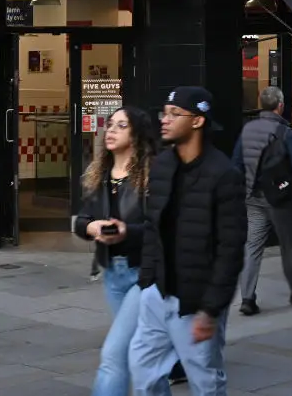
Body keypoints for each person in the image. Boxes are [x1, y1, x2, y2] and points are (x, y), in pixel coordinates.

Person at [129, 86, 247, 396]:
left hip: (196, 300)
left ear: (197, 121)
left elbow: (231, 249)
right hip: (158, 292)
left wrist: (210, 309)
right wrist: (147, 282)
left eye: (174, 114)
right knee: (142, 372)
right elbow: (153, 226)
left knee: (205, 380)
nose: (164, 120)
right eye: (163, 113)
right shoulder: (162, 165)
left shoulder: (223, 174)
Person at [75, 108, 158, 396]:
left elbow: (161, 228)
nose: (110, 130)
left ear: (136, 135)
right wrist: (92, 227)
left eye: (121, 126)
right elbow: (81, 220)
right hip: (113, 274)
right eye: (110, 124)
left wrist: (127, 232)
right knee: (141, 353)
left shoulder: (151, 176)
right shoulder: (98, 175)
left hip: (143, 274)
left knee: (113, 354)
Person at [232, 86, 292, 315]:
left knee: (252, 247)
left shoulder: (247, 129)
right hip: (280, 198)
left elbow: (236, 163)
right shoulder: (284, 132)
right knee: (288, 245)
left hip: (253, 196)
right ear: (280, 106)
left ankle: (247, 298)